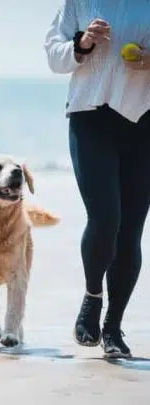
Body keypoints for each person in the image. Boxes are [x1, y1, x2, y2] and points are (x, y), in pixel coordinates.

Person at [44, 0, 150, 358]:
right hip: (90, 118)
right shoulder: (80, 2)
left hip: (144, 123)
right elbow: (54, 55)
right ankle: (93, 297)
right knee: (106, 218)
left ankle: (113, 328)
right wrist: (82, 43)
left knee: (131, 229)